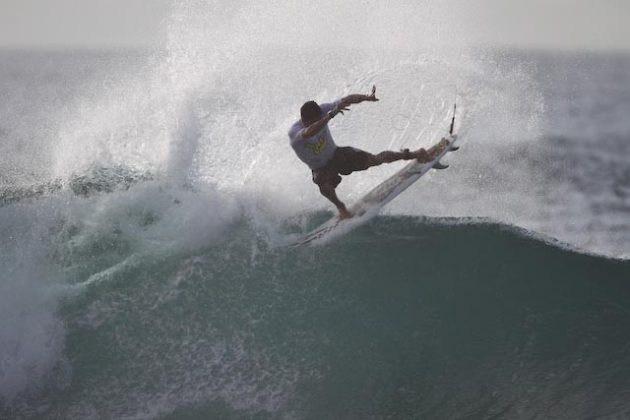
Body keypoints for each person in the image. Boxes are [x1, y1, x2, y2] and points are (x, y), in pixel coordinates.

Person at [288, 85, 438, 219]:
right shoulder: (295, 133)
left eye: (320, 117)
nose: (320, 121)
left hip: (337, 155)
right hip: (321, 169)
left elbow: (346, 100)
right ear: (305, 121)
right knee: (322, 183)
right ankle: (342, 209)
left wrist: (367, 97)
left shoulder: (322, 110)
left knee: (375, 159)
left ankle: (415, 154)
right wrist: (330, 115)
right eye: (316, 120)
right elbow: (309, 132)